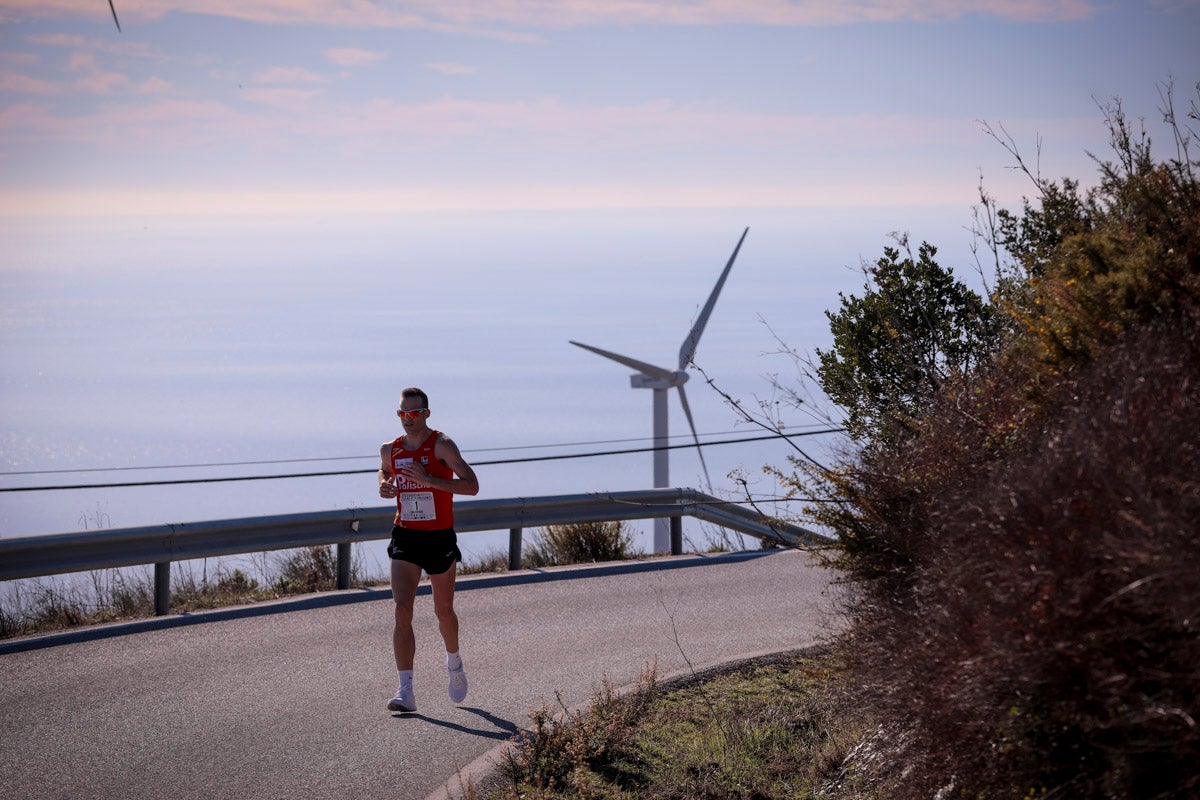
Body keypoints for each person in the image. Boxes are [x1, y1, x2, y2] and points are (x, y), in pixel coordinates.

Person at [378, 387, 480, 713]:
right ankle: (405, 690)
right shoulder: (389, 449)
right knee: (401, 608)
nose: (408, 419)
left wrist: (429, 480)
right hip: (406, 535)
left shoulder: (441, 445)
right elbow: (385, 470)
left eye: (415, 413)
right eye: (402, 413)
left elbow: (472, 485)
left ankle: (454, 664)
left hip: (438, 538)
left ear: (426, 414)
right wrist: (384, 483)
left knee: (443, 611)